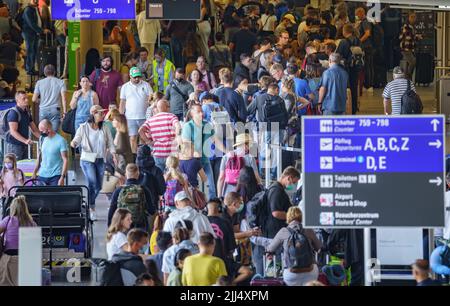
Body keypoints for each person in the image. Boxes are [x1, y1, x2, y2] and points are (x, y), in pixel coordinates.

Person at [252, 166, 300, 275]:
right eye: (294, 182)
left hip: (274, 231)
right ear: (289, 178)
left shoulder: (277, 189)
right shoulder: (277, 191)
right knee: (274, 265)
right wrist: (292, 216)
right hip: (273, 233)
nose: (294, 185)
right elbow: (276, 213)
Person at [71, 105, 115, 221]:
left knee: (99, 186)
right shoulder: (83, 127)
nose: (102, 115)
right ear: (93, 114)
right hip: (87, 160)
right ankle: (91, 208)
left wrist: (114, 154)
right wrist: (74, 143)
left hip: (100, 159)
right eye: (100, 113)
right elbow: (77, 138)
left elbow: (110, 142)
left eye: (102, 113)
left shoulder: (104, 127)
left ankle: (87, 203)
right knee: (93, 183)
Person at [264, 206, 322, 286]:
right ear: (301, 216)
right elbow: (319, 247)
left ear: (288, 217)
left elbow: (270, 249)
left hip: (291, 274)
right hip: (310, 272)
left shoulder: (283, 231)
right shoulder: (308, 229)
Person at [181, 104, 226, 199]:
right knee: (194, 189)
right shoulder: (188, 127)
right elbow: (186, 146)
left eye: (202, 111)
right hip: (192, 162)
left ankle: (213, 206)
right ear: (192, 114)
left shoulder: (207, 125)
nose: (201, 113)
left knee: (211, 186)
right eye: (198, 112)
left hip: (205, 160)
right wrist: (195, 154)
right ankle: (198, 207)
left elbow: (216, 140)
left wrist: (226, 151)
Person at [0, 195, 36, 286]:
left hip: (9, 258)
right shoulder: (31, 223)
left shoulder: (8, 220)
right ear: (25, 208)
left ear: (13, 208)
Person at [108, 163, 156, 230]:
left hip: (123, 226)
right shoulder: (144, 189)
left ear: (126, 174)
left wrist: (110, 227)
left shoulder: (119, 190)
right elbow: (151, 211)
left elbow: (112, 210)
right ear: (138, 174)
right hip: (140, 226)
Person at [139, 99, 181, 172]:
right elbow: (178, 126)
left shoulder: (150, 120)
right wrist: (177, 137)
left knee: (160, 177)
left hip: (158, 152)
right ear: (167, 107)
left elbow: (140, 131)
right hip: (171, 152)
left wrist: (148, 142)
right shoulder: (171, 116)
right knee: (173, 177)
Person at [119, 66, 152, 154]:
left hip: (144, 117)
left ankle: (142, 156)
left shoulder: (146, 85)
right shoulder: (125, 87)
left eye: (138, 76)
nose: (137, 79)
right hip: (130, 117)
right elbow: (122, 102)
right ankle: (133, 157)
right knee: (132, 137)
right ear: (130, 76)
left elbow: (152, 99)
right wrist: (120, 117)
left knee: (143, 138)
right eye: (135, 77)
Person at [217, 133, 260, 198]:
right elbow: (256, 177)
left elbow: (221, 178)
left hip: (228, 194)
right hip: (245, 194)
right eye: (248, 144)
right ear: (245, 144)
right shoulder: (250, 158)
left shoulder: (226, 157)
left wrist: (219, 196)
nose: (249, 146)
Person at [5, 91, 41, 160]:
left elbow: (34, 130)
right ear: (17, 100)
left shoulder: (27, 112)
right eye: (23, 98)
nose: (27, 100)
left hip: (25, 145)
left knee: (25, 167)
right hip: (14, 146)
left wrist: (43, 138)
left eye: (27, 98)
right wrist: (25, 141)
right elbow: (13, 131)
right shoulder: (13, 113)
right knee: (15, 167)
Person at [32, 119, 68, 186]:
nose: (41, 132)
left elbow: (65, 159)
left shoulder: (61, 141)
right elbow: (39, 157)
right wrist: (35, 172)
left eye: (42, 131)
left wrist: (62, 177)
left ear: (49, 129)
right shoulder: (42, 139)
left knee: (54, 195)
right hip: (42, 174)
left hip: (55, 175)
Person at [32, 64, 67, 132]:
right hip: (55, 110)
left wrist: (40, 100)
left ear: (44, 73)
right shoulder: (61, 82)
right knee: (54, 133)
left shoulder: (39, 83)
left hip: (43, 110)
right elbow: (64, 99)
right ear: (54, 72)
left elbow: (34, 99)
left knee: (43, 132)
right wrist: (65, 112)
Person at [336, 23, 361, 114]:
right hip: (356, 68)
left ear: (345, 31)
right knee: (354, 89)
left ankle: (346, 108)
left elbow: (337, 55)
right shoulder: (358, 40)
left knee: (346, 89)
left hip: (346, 69)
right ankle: (354, 109)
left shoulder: (343, 42)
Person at [21, 0, 49, 75]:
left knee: (34, 51)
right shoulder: (28, 10)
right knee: (30, 51)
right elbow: (31, 24)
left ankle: (32, 68)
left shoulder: (34, 8)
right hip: (29, 34)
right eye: (34, 0)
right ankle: (29, 69)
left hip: (35, 33)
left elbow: (37, 21)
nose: (36, 1)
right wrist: (42, 30)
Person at [355, 7, 374, 93]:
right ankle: (369, 84)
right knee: (368, 66)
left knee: (367, 66)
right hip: (368, 47)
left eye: (357, 14)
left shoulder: (365, 22)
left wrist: (359, 41)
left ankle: (368, 85)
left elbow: (367, 34)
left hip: (366, 47)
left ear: (361, 13)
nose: (356, 16)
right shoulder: (364, 22)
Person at [399, 12, 422, 80]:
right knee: (412, 61)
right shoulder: (407, 26)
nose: (413, 19)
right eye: (411, 17)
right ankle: (408, 76)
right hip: (406, 48)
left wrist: (416, 36)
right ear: (408, 17)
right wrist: (417, 37)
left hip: (409, 48)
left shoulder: (411, 26)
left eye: (414, 17)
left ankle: (407, 79)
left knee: (408, 63)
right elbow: (408, 36)